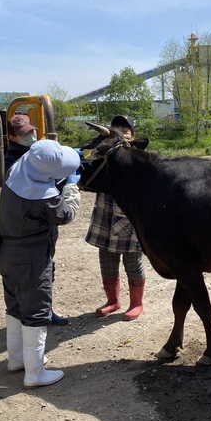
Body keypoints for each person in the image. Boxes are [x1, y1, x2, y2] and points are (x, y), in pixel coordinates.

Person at [0, 139, 81, 389]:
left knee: (15, 305)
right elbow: (66, 215)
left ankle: (17, 360)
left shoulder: (18, 170)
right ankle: (35, 373)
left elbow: (41, 177)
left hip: (6, 252)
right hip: (32, 258)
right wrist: (71, 189)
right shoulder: (44, 198)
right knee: (36, 312)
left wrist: (55, 170)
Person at [3, 113, 72, 327]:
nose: (31, 136)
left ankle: (45, 308)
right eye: (25, 134)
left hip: (43, 226)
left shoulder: (38, 154)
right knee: (32, 274)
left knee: (46, 266)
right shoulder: (13, 161)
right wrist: (64, 182)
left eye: (32, 131)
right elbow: (41, 193)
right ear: (13, 138)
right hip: (30, 227)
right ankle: (34, 316)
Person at [85, 115, 147, 321]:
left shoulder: (138, 155)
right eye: (117, 127)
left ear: (133, 133)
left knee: (133, 262)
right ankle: (113, 301)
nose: (121, 129)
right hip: (105, 214)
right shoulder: (103, 151)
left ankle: (136, 303)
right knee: (107, 260)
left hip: (128, 218)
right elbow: (86, 160)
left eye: (126, 127)